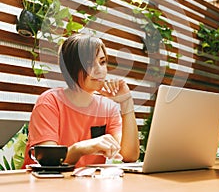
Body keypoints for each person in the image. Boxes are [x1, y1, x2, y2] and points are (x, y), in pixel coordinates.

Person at [22, 33, 140, 168]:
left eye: (102, 62)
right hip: (42, 183)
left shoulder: (108, 108)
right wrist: (80, 148)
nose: (99, 70)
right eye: (89, 64)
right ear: (71, 68)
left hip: (84, 184)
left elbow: (129, 156)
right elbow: (49, 161)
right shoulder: (49, 102)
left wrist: (126, 102)